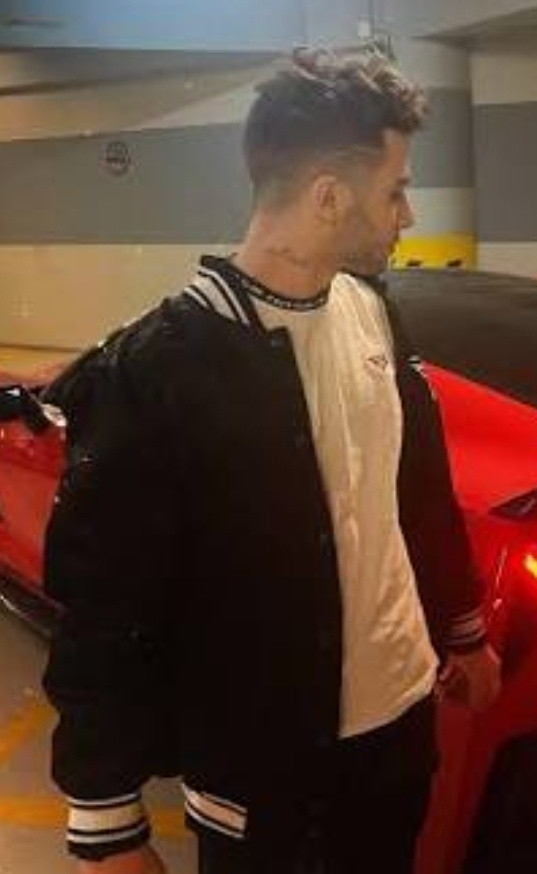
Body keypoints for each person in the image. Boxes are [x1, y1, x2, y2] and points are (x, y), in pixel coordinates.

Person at [41, 47, 502, 874]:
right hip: (264, 770)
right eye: (395, 191)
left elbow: (414, 488)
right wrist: (106, 818)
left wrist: (461, 631)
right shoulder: (156, 369)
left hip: (398, 732)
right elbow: (106, 601)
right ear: (328, 197)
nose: (407, 214)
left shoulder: (373, 313)